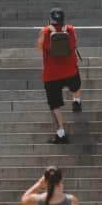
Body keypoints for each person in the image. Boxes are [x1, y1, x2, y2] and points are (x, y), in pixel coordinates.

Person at [36, 8, 82, 144]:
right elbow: (74, 45)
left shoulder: (44, 31)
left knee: (54, 104)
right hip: (70, 70)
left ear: (50, 19)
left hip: (51, 74)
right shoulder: (71, 29)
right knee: (76, 84)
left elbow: (39, 48)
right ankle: (76, 101)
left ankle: (61, 133)